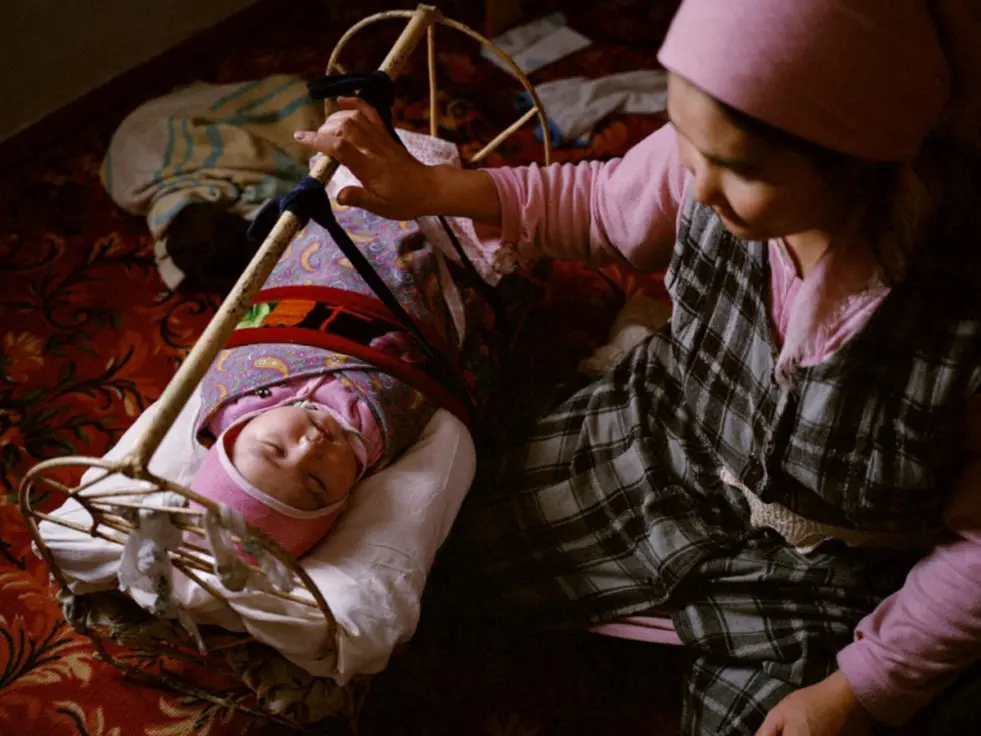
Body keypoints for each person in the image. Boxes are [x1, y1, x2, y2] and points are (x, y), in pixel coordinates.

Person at [293, 1, 981, 734]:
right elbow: (599, 204)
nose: (701, 187)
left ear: (860, 162)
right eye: (687, 146)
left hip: (825, 574)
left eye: (739, 169)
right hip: (659, 440)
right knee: (427, 559)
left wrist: (853, 692)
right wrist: (435, 190)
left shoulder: (956, 317)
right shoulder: (701, 165)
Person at [187, 186, 492, 560]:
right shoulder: (378, 435)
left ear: (235, 433)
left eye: (274, 449)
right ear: (341, 503)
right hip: (403, 290)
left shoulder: (232, 395)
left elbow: (236, 342)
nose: (309, 447)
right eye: (317, 482)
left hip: (319, 269)